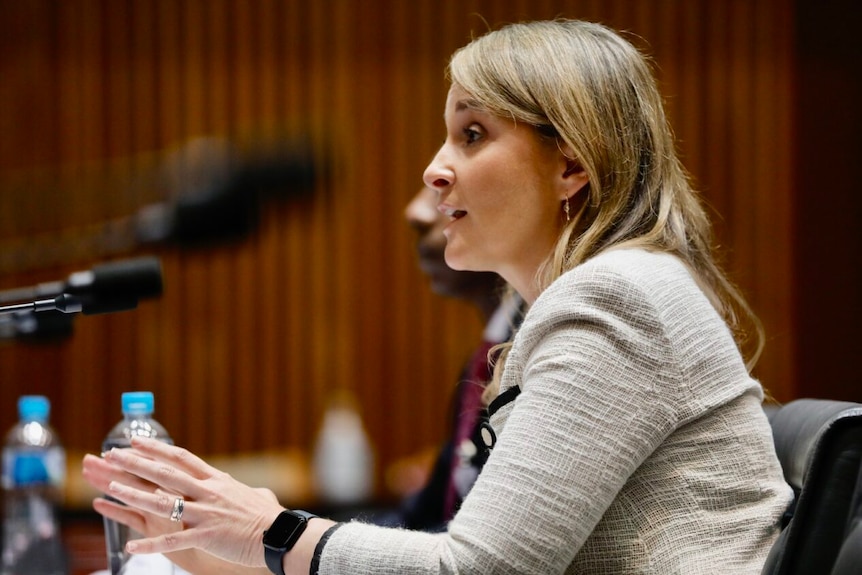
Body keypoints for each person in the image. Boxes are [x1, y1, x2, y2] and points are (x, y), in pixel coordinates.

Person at [81, 19, 794, 574]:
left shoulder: (616, 299)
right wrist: (238, 548)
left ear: (572, 164)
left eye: (472, 135)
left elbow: (481, 567)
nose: (434, 169)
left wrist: (272, 529)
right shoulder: (590, 300)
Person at [370, 186, 521, 531]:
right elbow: (423, 517)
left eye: (472, 137)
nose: (415, 212)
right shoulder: (486, 359)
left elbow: (492, 544)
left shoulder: (547, 350)